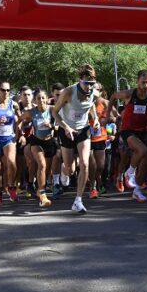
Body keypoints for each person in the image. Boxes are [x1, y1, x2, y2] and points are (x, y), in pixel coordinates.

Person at [52, 64, 101, 214]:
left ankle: (78, 201)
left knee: (85, 164)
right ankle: (63, 171)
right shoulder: (68, 92)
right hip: (67, 131)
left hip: (83, 130)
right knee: (70, 168)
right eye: (87, 83)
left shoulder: (94, 93)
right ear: (80, 80)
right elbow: (55, 112)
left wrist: (96, 119)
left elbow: (91, 106)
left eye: (92, 84)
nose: (89, 87)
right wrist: (66, 127)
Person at [110, 70, 147, 203]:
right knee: (140, 151)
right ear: (137, 82)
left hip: (143, 130)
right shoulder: (130, 93)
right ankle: (128, 173)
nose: (146, 85)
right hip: (128, 130)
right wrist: (109, 115)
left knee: (146, 162)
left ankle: (136, 191)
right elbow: (113, 96)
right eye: (143, 82)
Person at [21, 89, 57, 208]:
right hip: (36, 141)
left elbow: (59, 124)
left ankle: (40, 188)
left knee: (46, 170)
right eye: (38, 98)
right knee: (41, 165)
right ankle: (42, 194)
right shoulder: (31, 112)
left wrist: (51, 126)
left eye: (43, 98)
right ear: (35, 100)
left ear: (46, 99)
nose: (41, 100)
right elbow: (19, 122)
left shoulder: (52, 109)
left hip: (49, 141)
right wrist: (21, 134)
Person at [88, 83, 111, 199]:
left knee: (100, 166)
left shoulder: (104, 103)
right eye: (93, 89)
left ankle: (97, 182)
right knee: (91, 163)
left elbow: (114, 117)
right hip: (87, 138)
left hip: (100, 137)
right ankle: (93, 187)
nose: (95, 91)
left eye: (97, 89)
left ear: (101, 91)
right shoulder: (85, 103)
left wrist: (105, 120)